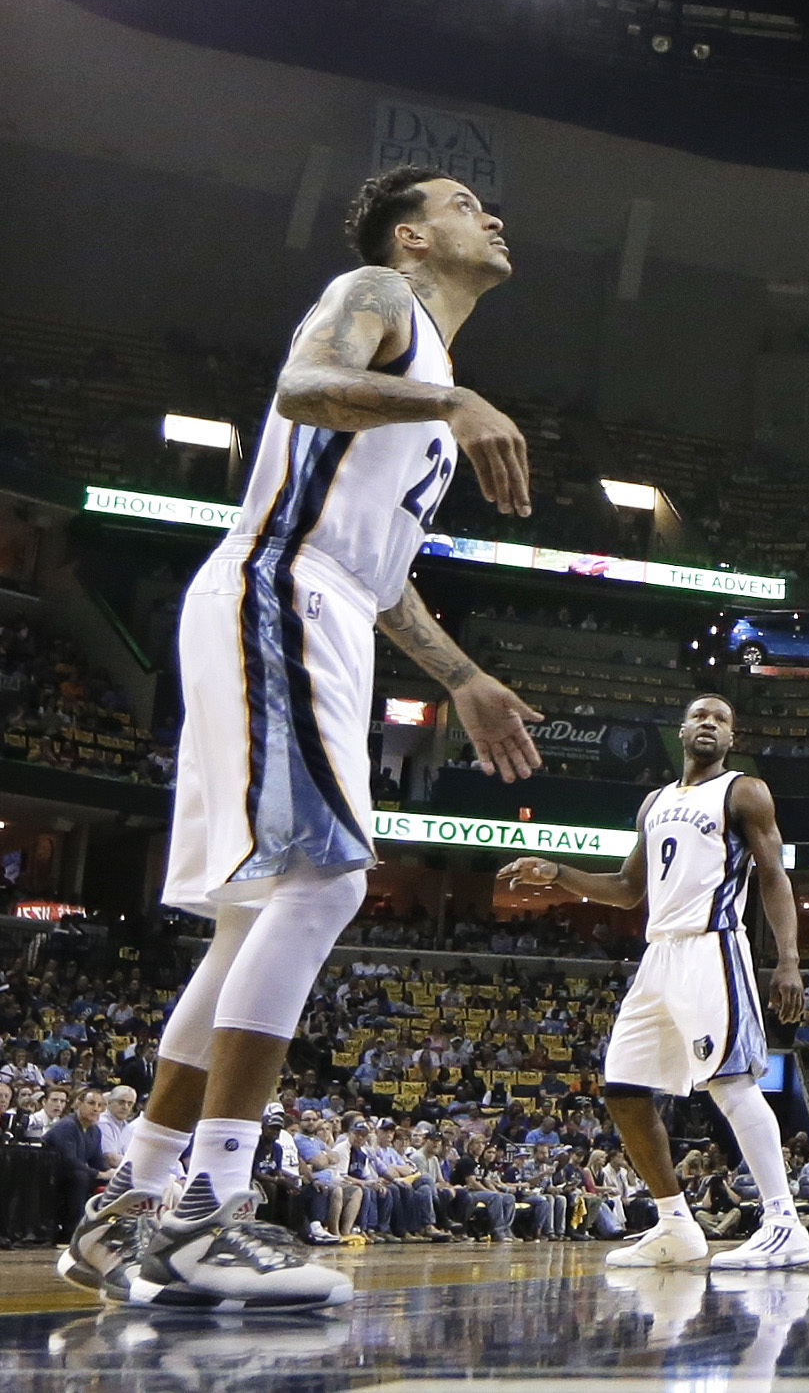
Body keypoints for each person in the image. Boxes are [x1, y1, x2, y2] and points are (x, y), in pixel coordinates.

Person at [71, 168, 544, 1310]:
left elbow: (379, 574)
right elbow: (297, 385)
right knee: (325, 882)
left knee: (253, 919)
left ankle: (133, 1202)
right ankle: (210, 1209)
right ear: (415, 231)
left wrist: (467, 674)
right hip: (280, 586)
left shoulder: (424, 361)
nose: (496, 214)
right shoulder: (378, 290)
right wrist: (452, 406)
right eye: (468, 200)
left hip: (326, 601)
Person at [500, 694, 809, 1271]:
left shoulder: (744, 792)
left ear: (731, 736)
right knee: (623, 1088)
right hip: (658, 956)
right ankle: (674, 1224)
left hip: (710, 945)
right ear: (682, 729)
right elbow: (625, 888)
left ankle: (783, 1222)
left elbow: (774, 876)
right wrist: (556, 871)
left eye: (721, 719)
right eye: (700, 716)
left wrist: (787, 959)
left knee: (731, 1082)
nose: (709, 725)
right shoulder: (656, 802)